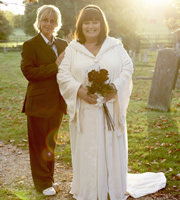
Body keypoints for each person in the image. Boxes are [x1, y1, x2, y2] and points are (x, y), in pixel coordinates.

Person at [57, 4, 166, 200]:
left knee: (109, 146)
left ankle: (110, 187)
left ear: (102, 24)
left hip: (109, 108)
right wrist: (79, 90)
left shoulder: (114, 45)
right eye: (87, 22)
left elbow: (127, 67)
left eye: (95, 22)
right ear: (81, 26)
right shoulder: (73, 49)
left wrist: (114, 88)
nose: (91, 26)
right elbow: (63, 74)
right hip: (85, 109)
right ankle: (90, 188)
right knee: (88, 148)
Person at [20, 5, 67, 196]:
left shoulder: (64, 44)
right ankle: (41, 183)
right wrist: (55, 66)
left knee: (50, 144)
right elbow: (29, 72)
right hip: (38, 104)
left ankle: (49, 179)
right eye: (45, 20)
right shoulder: (30, 45)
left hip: (57, 102)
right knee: (38, 144)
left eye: (52, 20)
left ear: (57, 23)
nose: (48, 23)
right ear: (38, 22)